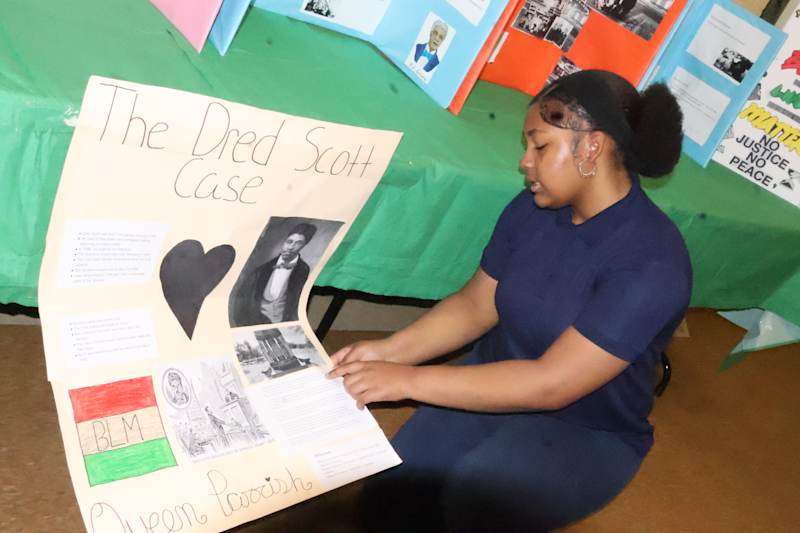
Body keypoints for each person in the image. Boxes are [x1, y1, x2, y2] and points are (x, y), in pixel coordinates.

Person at [328, 70, 692, 532]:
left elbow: (550, 384)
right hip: (493, 374)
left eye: (540, 146)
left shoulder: (653, 264)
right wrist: (386, 351)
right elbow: (475, 306)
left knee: (472, 504)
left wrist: (405, 380)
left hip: (585, 428)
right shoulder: (532, 209)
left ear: (592, 148)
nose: (525, 162)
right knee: (393, 490)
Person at [230, 222, 316, 326]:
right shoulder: (262, 269)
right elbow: (242, 297)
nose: (291, 247)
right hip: (254, 321)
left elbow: (297, 304)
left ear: (304, 245)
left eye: (298, 243)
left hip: (280, 324)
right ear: (284, 242)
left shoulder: (303, 270)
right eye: (289, 241)